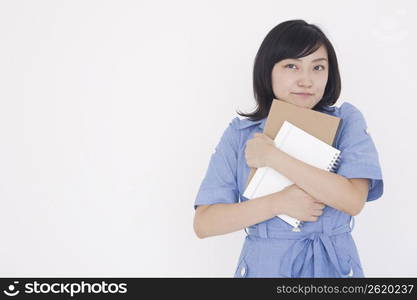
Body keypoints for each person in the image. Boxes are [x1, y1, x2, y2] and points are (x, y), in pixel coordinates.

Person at [193, 19, 384, 278]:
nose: (306, 80)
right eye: (292, 66)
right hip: (265, 269)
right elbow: (205, 223)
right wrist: (277, 203)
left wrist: (273, 157)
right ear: (267, 70)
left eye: (318, 67)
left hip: (333, 267)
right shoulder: (240, 134)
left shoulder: (346, 122)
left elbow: (352, 200)